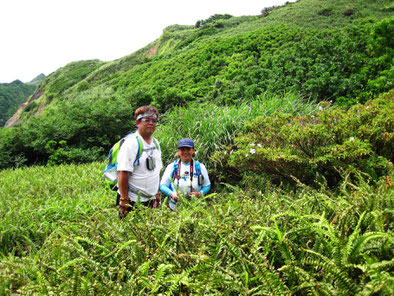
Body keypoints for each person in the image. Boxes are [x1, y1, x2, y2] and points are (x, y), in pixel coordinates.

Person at [117, 105, 162, 217]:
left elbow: (157, 170)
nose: (151, 123)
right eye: (147, 120)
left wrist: (156, 193)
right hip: (131, 200)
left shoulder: (155, 143)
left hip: (150, 199)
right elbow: (123, 172)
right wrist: (124, 199)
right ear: (138, 123)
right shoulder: (131, 143)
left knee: (149, 231)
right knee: (129, 232)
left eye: (154, 120)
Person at [160, 138, 211, 209]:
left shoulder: (200, 167)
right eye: (182, 149)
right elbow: (163, 186)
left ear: (193, 151)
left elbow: (207, 185)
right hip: (175, 207)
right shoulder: (172, 167)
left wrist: (199, 194)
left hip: (196, 207)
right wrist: (172, 194)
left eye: (188, 149)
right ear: (178, 151)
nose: (185, 152)